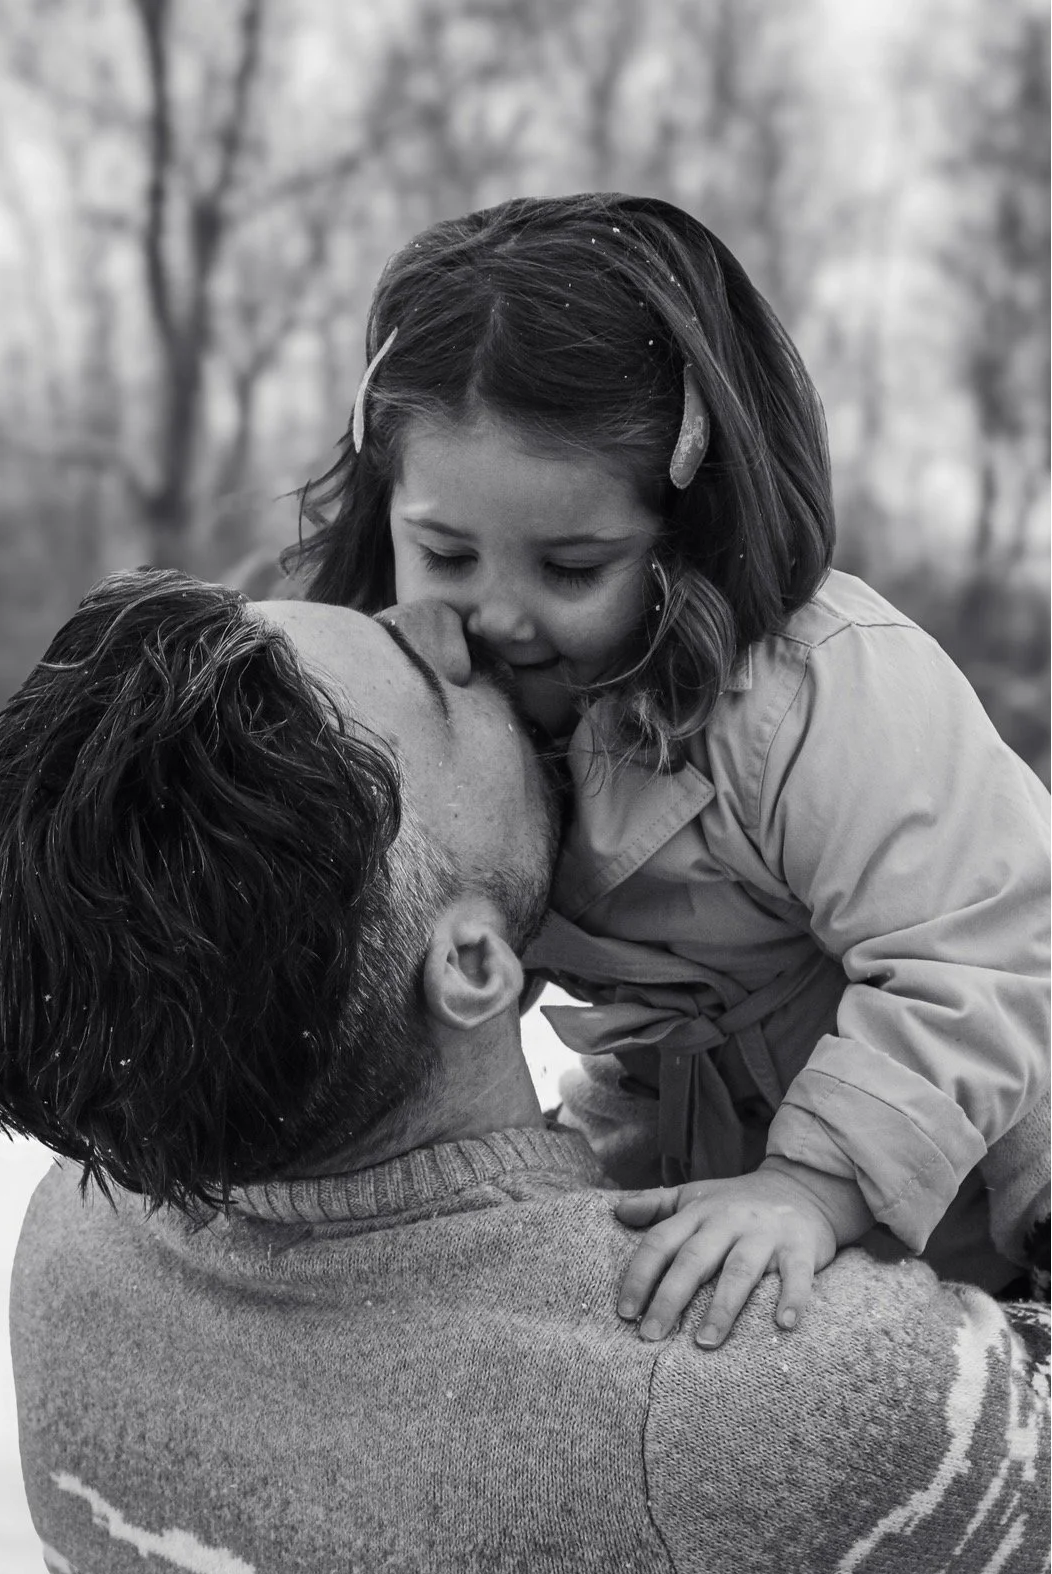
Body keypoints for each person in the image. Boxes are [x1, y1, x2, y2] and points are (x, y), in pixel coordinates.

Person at [0, 571, 1049, 1574]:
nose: (445, 623)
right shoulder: (733, 1392)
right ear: (470, 966)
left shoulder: (82, 1240)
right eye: (428, 681)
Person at [286, 190, 1051, 1351]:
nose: (499, 614)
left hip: (1005, 1127)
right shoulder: (435, 719)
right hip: (715, 1144)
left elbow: (983, 951)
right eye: (445, 552)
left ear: (689, 526)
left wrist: (812, 1185)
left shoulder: (808, 690)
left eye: (571, 566)